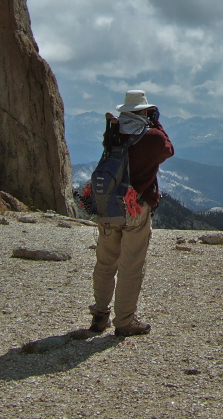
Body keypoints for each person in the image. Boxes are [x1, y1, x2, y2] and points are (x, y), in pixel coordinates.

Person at [89, 90, 174, 336]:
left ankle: (99, 316)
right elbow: (169, 150)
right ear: (146, 112)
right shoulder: (153, 137)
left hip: (107, 204)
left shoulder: (114, 133)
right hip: (135, 206)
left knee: (105, 262)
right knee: (130, 265)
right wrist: (157, 123)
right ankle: (125, 321)